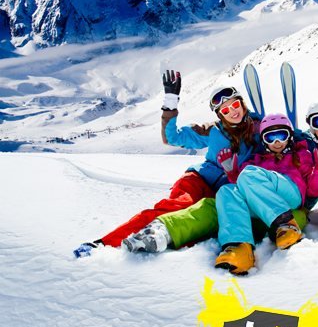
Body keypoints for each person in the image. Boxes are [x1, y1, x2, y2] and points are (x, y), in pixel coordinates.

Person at [75, 81, 259, 257]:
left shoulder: (259, 129)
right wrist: (170, 104)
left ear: (241, 103)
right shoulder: (212, 131)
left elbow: (279, 143)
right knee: (177, 208)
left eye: (235, 105)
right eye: (225, 110)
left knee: (202, 224)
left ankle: (153, 239)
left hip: (220, 193)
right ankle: (105, 243)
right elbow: (172, 138)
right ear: (220, 115)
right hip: (197, 180)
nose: (233, 111)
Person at [214, 113, 318, 275]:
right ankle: (240, 248)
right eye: (271, 137)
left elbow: (314, 191)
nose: (277, 142)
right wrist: (232, 174)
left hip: (290, 193)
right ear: (263, 140)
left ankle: (286, 225)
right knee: (226, 191)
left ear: (290, 136)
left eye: (281, 136)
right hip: (262, 203)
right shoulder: (256, 160)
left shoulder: (300, 155)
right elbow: (244, 191)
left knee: (248, 174)